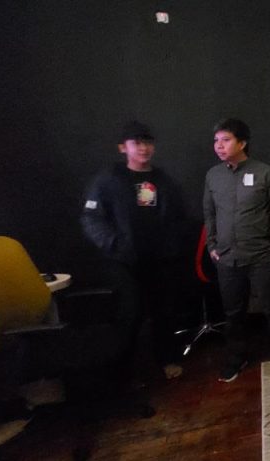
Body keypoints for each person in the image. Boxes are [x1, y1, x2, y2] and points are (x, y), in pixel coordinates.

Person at [81, 120, 186, 380]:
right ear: (123, 147)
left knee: (164, 312)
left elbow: (177, 217)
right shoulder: (109, 179)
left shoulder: (163, 180)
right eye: (136, 143)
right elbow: (91, 218)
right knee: (130, 312)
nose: (143, 148)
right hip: (123, 262)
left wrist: (171, 246)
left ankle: (168, 359)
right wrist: (114, 244)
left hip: (159, 260)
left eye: (148, 142)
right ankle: (123, 371)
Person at [202, 118, 270, 383]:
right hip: (227, 258)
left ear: (242, 143)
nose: (219, 145)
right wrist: (212, 245)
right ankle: (236, 358)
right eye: (216, 140)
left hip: (261, 256)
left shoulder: (266, 173)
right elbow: (209, 213)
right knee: (233, 314)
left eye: (226, 140)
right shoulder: (213, 175)